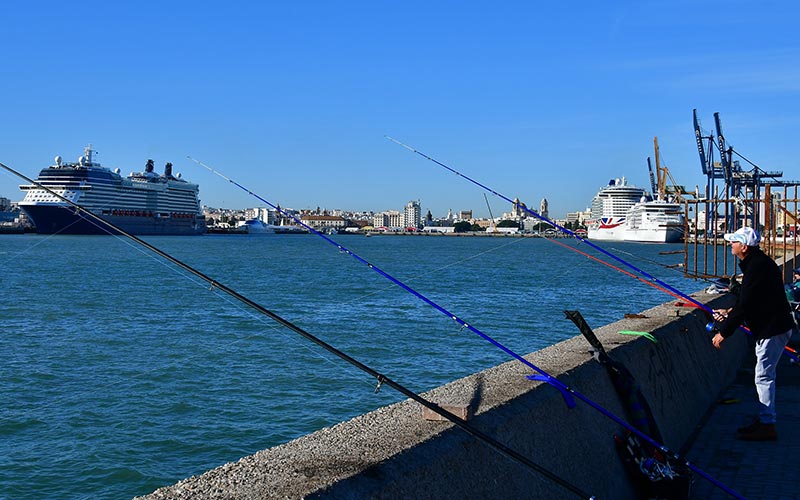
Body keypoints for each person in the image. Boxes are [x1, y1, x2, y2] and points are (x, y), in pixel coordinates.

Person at [711, 226, 795, 441]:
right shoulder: (758, 264)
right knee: (765, 375)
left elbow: (746, 304)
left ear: (744, 246)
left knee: (764, 376)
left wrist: (724, 332)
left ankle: (768, 424)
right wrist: (729, 312)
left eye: (733, 242)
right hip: (773, 326)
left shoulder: (756, 267)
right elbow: (754, 300)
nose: (730, 244)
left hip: (772, 329)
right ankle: (765, 419)